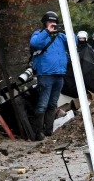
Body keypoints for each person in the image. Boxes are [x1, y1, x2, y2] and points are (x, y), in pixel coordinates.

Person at [29, 10, 68, 141]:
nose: (52, 24)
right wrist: (47, 32)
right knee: (42, 104)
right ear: (45, 22)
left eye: (54, 22)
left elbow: (74, 43)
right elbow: (34, 44)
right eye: (50, 21)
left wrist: (67, 29)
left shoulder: (61, 37)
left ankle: (48, 131)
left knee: (52, 104)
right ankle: (38, 133)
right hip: (45, 74)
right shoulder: (39, 34)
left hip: (59, 74)